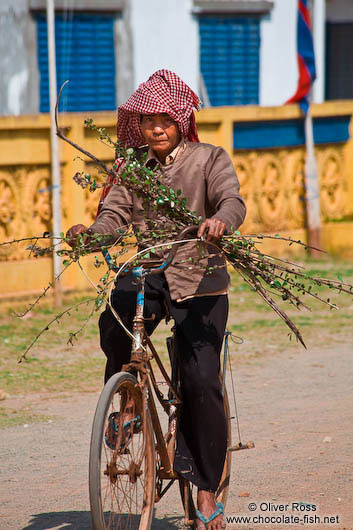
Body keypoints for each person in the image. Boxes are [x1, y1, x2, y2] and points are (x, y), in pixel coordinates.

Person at [67, 69, 246, 530]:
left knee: (201, 380)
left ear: (182, 120)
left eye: (166, 119)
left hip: (199, 274)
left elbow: (232, 200)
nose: (157, 128)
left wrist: (220, 221)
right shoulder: (132, 167)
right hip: (149, 268)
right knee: (116, 310)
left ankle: (206, 490)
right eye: (148, 121)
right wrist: (91, 235)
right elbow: (113, 214)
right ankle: (126, 400)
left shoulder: (210, 158)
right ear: (140, 126)